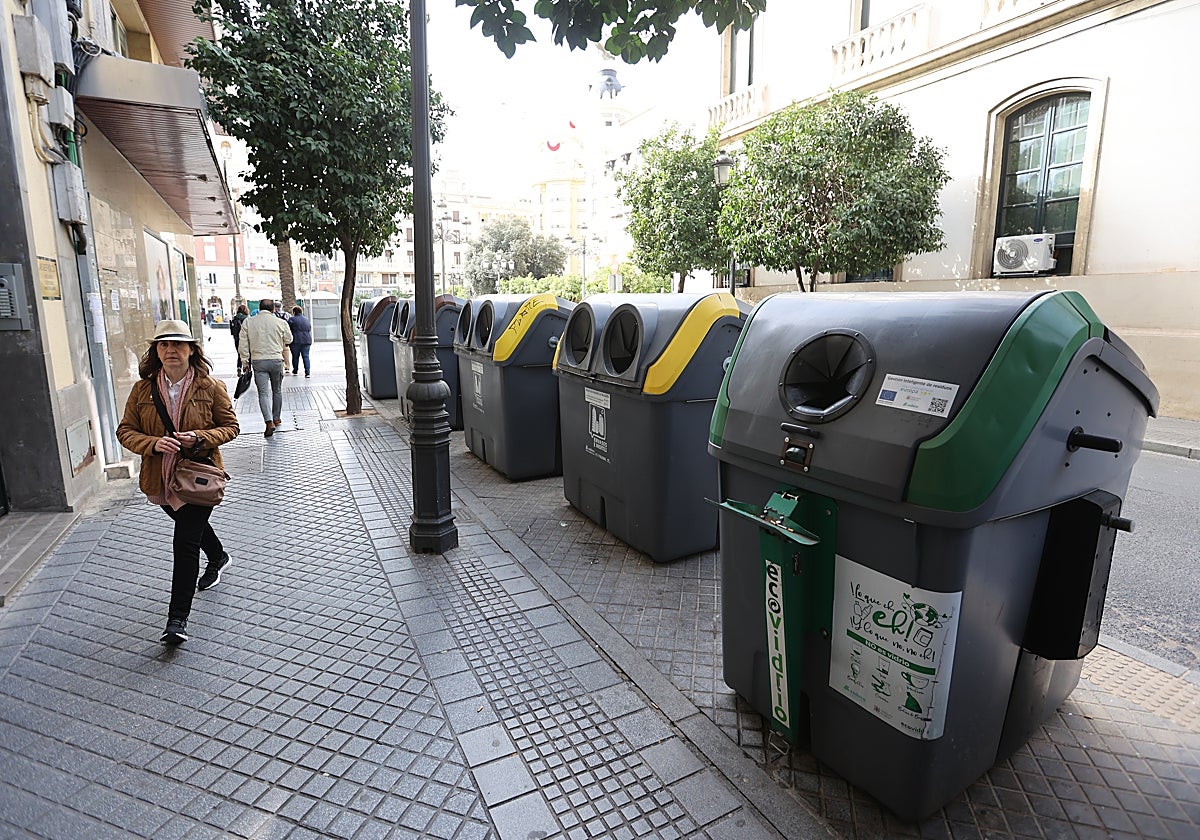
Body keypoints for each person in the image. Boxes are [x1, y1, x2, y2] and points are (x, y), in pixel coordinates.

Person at [116, 319, 239, 645]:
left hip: (199, 476)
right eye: (164, 344)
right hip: (160, 478)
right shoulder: (142, 390)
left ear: (191, 349)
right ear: (156, 351)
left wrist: (199, 437)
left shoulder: (210, 387)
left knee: (184, 543)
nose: (171, 350)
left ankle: (177, 620)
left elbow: (231, 427)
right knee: (191, 529)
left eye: (178, 344)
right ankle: (218, 556)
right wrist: (153, 444)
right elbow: (125, 431)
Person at [238, 298, 292, 437]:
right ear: (273, 309)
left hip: (258, 361)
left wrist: (245, 362)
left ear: (259, 308)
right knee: (277, 390)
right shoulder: (280, 322)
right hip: (276, 360)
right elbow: (289, 339)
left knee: (263, 393)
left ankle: (268, 422)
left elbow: (243, 344)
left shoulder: (248, 322)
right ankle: (276, 418)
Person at [287, 305, 313, 377]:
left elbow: (288, 329)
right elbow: (309, 328)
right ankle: (307, 372)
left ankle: (295, 370)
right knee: (306, 356)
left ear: (294, 312)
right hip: (306, 340)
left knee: (295, 356)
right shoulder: (306, 319)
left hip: (295, 340)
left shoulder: (291, 319)